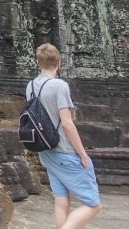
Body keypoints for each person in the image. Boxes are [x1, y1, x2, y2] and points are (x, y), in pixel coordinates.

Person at [28, 43, 103, 229]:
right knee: (93, 205)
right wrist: (83, 154)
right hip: (65, 151)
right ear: (59, 64)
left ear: (38, 62)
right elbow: (67, 123)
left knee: (62, 201)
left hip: (45, 150)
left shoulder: (30, 86)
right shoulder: (59, 86)